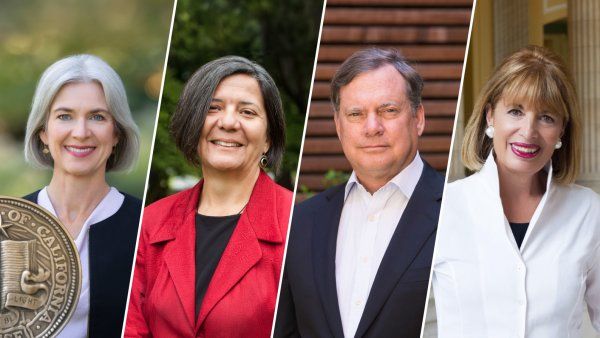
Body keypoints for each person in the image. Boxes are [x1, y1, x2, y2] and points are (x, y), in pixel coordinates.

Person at [275, 48, 444, 338]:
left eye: (388, 110)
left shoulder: (457, 210)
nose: (372, 127)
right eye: (355, 114)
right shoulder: (301, 222)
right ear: (339, 126)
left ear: (418, 118)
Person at [432, 45, 600, 337]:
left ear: (562, 130)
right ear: (490, 117)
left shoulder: (588, 213)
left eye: (547, 117)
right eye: (515, 111)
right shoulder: (443, 208)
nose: (528, 131)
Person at [124, 56, 292, 337]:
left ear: (268, 138)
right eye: (213, 108)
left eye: (247, 112)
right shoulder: (151, 223)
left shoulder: (296, 224)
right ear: (193, 123)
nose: (228, 122)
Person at [22, 54, 142, 338]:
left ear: (116, 134)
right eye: (65, 116)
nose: (81, 132)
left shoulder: (145, 227)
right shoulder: (7, 224)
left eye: (97, 117)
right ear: (43, 132)